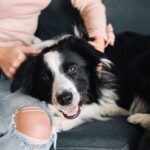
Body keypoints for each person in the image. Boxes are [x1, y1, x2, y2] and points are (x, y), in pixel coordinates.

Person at [0, 0, 115, 150]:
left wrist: (97, 43)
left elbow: (89, 2)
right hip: (7, 58)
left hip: (15, 68)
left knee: (36, 128)